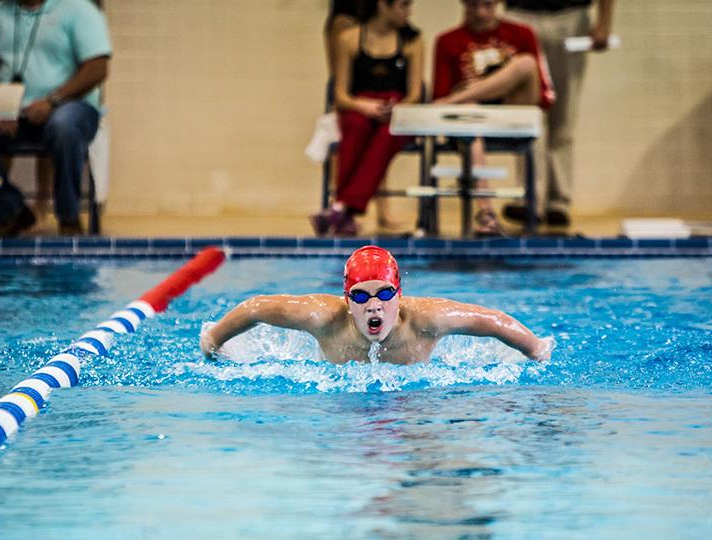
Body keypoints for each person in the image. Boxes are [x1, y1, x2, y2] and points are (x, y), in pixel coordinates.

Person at [201, 245, 554, 365]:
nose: (374, 306)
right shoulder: (322, 318)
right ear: (346, 300)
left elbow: (492, 320)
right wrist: (213, 341)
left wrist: (537, 349)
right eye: (361, 296)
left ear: (399, 296)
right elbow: (256, 307)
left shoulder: (427, 320)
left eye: (384, 294)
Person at [0, 0, 110, 237]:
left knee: (64, 126)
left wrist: (52, 101)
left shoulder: (78, 9)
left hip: (69, 106)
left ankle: (68, 217)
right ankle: (10, 212)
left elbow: (98, 67)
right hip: (11, 112)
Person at [432, 0, 554, 237]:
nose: (480, 12)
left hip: (513, 114)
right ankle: (486, 213)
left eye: (487, 5)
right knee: (468, 109)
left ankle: (534, 207)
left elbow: (541, 94)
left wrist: (481, 87)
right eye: (474, 6)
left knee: (526, 63)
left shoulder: (522, 33)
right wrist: (467, 94)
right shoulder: (447, 41)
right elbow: (439, 98)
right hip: (472, 120)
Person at [311, 0, 424, 237]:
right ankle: (345, 211)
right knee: (355, 125)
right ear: (383, 5)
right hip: (360, 107)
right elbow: (341, 95)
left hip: (398, 112)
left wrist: (396, 107)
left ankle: (341, 208)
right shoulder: (349, 39)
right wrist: (364, 105)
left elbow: (415, 95)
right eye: (403, 5)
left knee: (387, 134)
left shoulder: (413, 42)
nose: (408, 12)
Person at [502, 0, 615, 230]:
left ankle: (558, 202)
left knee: (563, 115)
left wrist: (604, 22)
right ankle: (530, 197)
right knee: (528, 118)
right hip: (520, 15)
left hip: (569, 16)